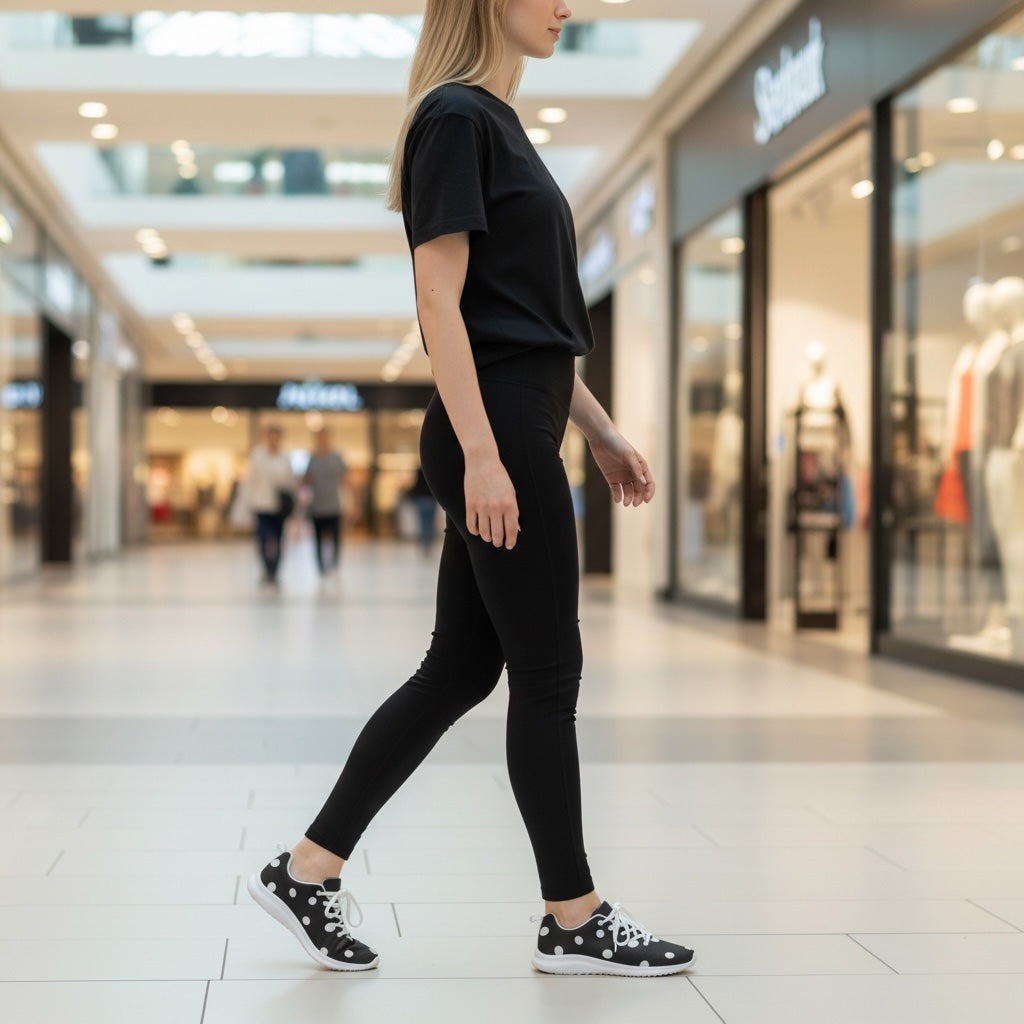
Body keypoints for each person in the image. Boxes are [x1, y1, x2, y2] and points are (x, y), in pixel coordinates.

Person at [248, 0, 695, 978]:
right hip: (492, 430)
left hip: (520, 420)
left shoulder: (495, 120)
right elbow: (439, 299)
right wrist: (485, 454)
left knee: (460, 668)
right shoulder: (455, 115)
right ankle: (571, 915)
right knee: (547, 672)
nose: (566, 7)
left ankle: (306, 868)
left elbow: (524, 324)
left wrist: (603, 429)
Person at [246, 424, 296, 587]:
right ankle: (266, 569)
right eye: (271, 436)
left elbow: (290, 481)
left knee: (279, 539)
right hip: (261, 505)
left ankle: (275, 571)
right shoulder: (258, 456)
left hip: (279, 507)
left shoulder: (286, 457)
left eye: (277, 437)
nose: (274, 440)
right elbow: (251, 481)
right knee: (263, 538)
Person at [303, 429, 348, 578]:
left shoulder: (337, 457)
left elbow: (346, 479)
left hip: (334, 505)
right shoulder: (312, 458)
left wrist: (354, 502)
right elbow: (305, 480)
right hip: (317, 506)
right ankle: (321, 568)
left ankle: (334, 565)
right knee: (318, 540)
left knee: (335, 538)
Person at [406, 465, 439, 555]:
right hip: (431, 500)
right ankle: (429, 544)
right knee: (430, 523)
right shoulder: (433, 470)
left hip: (422, 500)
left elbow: (416, 485)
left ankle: (424, 545)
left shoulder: (419, 471)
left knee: (423, 523)